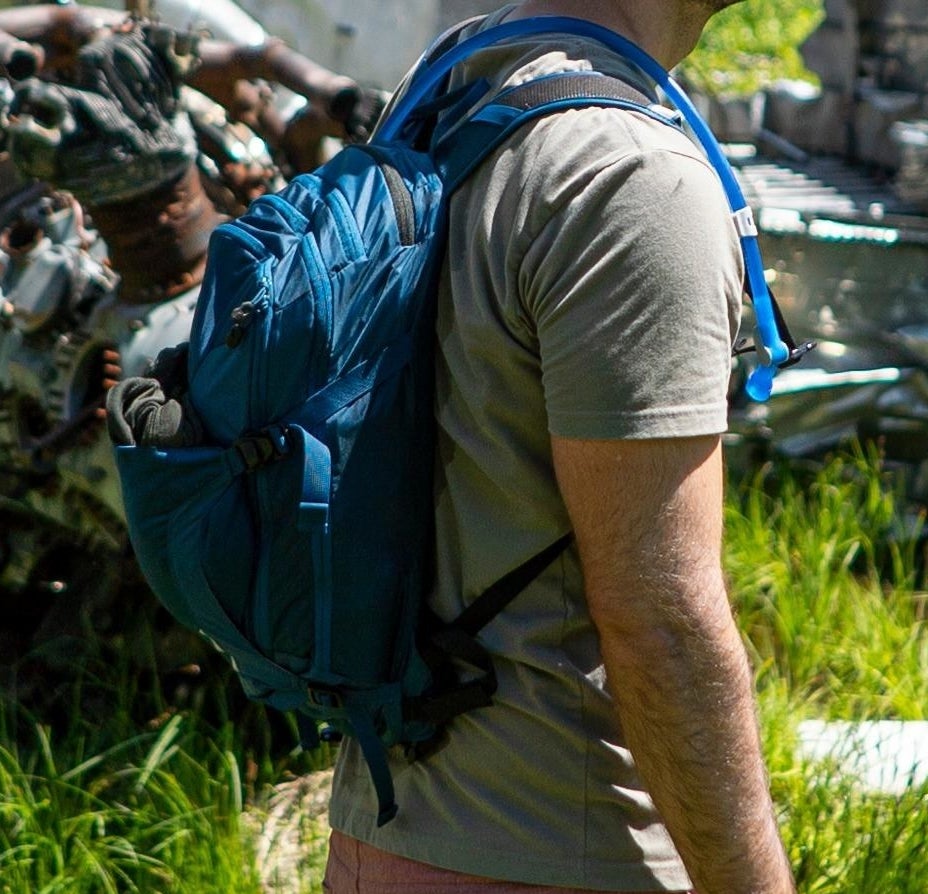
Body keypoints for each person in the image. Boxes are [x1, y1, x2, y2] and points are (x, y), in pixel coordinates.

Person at [324, 1, 797, 893]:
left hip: (386, 831)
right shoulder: (631, 178)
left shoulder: (458, 82)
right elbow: (661, 617)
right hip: (565, 844)